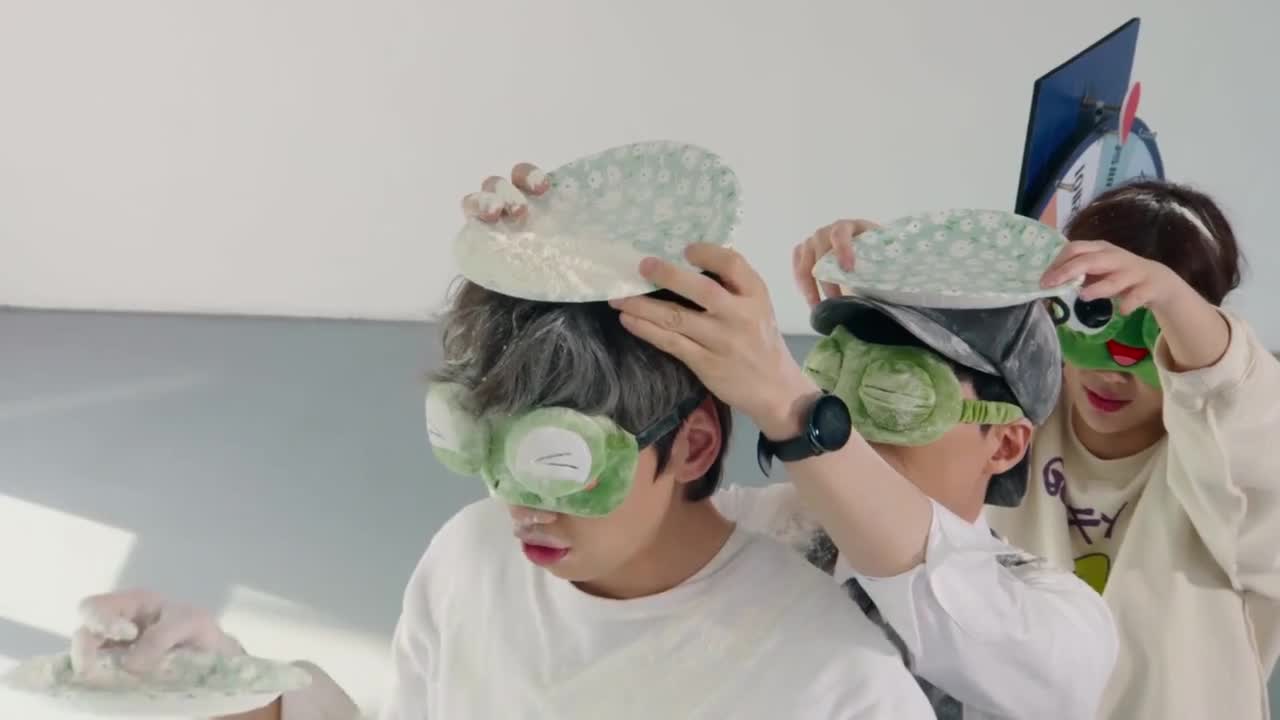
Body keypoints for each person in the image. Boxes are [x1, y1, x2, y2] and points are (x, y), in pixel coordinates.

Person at [71, 203, 934, 717]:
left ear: (693, 444)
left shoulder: (830, 679)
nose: (519, 506)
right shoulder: (471, 554)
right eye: (483, 447)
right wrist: (228, 683)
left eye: (557, 460)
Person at [460, 166, 1116, 719]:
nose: (849, 417)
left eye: (895, 394)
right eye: (833, 374)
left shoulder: (1056, 623)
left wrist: (789, 401)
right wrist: (562, 256)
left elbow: (924, 580)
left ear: (1005, 444)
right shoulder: (752, 530)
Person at [798, 180, 1280, 719]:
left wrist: (1173, 298)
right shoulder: (1009, 419)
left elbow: (1240, 408)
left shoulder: (1232, 467)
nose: (1112, 370)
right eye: (1091, 317)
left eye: (1150, 331)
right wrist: (891, 275)